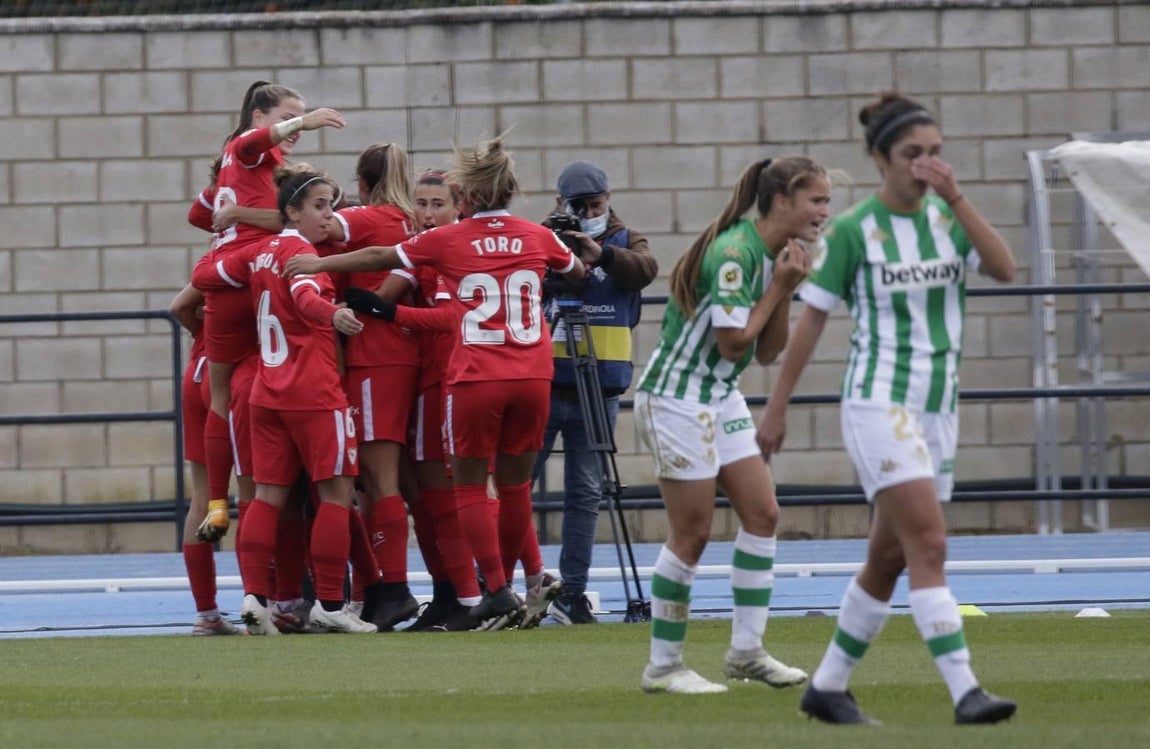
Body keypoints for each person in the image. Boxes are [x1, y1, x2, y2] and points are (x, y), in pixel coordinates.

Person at [757, 93, 1018, 725]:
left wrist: (956, 197)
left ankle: (827, 687)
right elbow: (812, 324)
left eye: (935, 153)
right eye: (912, 154)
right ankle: (966, 693)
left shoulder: (946, 218)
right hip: (880, 402)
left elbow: (1005, 268)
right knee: (928, 542)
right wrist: (777, 408)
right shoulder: (854, 231)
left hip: (938, 406)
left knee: (890, 556)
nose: (926, 165)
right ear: (880, 159)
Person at [284, 136, 585, 626]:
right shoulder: (536, 235)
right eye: (421, 203)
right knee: (503, 489)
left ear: (464, 200)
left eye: (438, 203)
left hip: (463, 375)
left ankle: (485, 590)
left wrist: (329, 268)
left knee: (452, 487)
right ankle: (510, 582)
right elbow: (577, 271)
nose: (426, 212)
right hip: (531, 373)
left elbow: (384, 260)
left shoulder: (444, 241)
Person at [633, 156, 826, 694]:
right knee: (691, 534)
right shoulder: (736, 254)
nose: (824, 212)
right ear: (782, 202)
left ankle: (746, 651)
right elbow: (733, 342)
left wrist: (785, 286)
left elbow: (766, 353)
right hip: (675, 400)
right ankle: (663, 667)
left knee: (763, 515)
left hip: (718, 396)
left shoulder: (778, 255)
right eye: (816, 200)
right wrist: (779, 287)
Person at [193, 165, 374, 635]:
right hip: (313, 393)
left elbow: (207, 273)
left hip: (267, 394)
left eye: (331, 205)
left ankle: (254, 598)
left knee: (266, 499)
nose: (328, 215)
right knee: (336, 495)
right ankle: (331, 604)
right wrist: (334, 314)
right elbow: (306, 295)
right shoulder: (300, 252)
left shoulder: (257, 253)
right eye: (319, 205)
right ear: (290, 210)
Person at [195, 81, 344, 548]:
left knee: (223, 399)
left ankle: (218, 504)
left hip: (226, 281)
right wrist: (308, 121)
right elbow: (282, 213)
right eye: (285, 117)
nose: (293, 126)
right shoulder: (250, 151)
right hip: (260, 273)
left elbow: (200, 216)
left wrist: (231, 213)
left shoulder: (233, 172)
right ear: (259, 117)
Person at [530, 160, 658, 626]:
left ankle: (574, 592)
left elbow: (645, 270)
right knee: (517, 484)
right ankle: (516, 584)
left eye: (595, 206)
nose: (587, 215)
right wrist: (557, 256)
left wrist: (599, 256)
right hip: (543, 380)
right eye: (577, 207)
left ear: (608, 201)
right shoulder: (539, 238)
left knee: (585, 492)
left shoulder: (626, 241)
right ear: (560, 204)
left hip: (598, 384)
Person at [321, 142, 422, 631]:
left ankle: (393, 591)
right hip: (401, 355)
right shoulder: (409, 219)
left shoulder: (368, 217)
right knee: (392, 480)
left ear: (361, 182)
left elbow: (318, 227)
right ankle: (384, 588)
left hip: (374, 357)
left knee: (377, 480)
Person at [168, 283, 240, 636]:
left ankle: (207, 613)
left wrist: (201, 331)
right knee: (259, 495)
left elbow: (180, 306)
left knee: (203, 495)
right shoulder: (257, 253)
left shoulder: (214, 261)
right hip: (228, 375)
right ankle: (267, 604)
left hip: (198, 367)